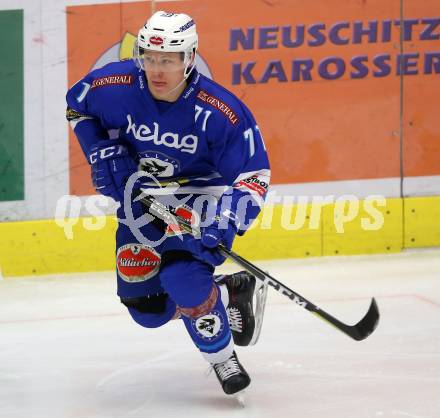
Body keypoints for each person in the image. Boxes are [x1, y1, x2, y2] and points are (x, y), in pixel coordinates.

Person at [66, 11, 270, 396]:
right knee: (146, 310)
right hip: (139, 197)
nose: (158, 69)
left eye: (169, 59)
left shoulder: (220, 111)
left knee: (183, 278)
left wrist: (225, 221)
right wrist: (98, 149)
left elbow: (254, 174)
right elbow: (77, 106)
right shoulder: (113, 85)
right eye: (150, 57)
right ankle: (229, 292)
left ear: (189, 57)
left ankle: (222, 358)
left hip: (200, 199)